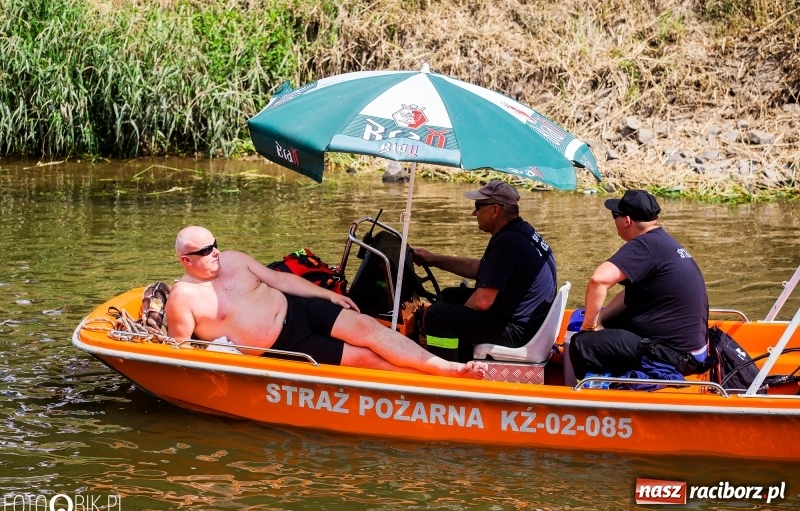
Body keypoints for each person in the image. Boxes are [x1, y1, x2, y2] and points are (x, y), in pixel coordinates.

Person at [164, 226, 487, 379]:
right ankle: (430, 381)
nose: (215, 252)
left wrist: (329, 294)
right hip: (285, 343)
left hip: (298, 306)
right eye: (205, 251)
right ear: (186, 261)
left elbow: (281, 279)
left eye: (215, 244)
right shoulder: (183, 299)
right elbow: (181, 354)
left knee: (366, 327)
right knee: (365, 357)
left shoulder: (233, 260)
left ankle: (449, 368)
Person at [569, 189, 709, 380]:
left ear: (627, 221)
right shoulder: (664, 242)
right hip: (690, 349)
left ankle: (586, 391)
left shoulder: (644, 246)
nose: (614, 222)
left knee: (581, 343)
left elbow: (598, 280)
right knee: (603, 320)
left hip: (674, 355)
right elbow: (629, 295)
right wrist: (601, 319)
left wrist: (589, 327)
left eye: (615, 216)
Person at [412, 180, 557, 362]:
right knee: (449, 296)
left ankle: (449, 373)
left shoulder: (506, 243)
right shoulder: (520, 232)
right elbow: (480, 268)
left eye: (478, 206)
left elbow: (482, 302)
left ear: (495, 210)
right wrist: (433, 259)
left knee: (438, 315)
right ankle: (462, 357)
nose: (474, 213)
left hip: (518, 332)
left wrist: (457, 320)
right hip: (530, 324)